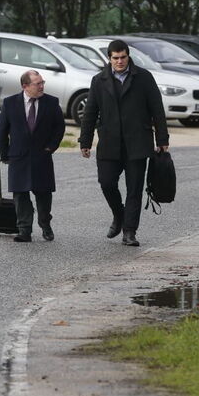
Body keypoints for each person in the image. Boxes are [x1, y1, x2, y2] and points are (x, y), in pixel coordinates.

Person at [78, 39, 169, 247]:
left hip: (138, 142)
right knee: (107, 183)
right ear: (109, 58)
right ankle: (119, 215)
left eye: (123, 57)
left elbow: (157, 109)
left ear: (129, 57)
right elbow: (90, 112)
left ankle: (129, 231)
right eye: (115, 58)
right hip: (109, 142)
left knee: (134, 189)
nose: (120, 61)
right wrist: (85, 140)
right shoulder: (99, 80)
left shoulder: (143, 78)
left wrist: (162, 139)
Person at [0, 70, 66, 242]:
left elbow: (59, 128)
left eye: (43, 82)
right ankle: (24, 229)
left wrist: (51, 147)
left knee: (43, 194)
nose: (42, 86)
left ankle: (45, 223)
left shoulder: (51, 102)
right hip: (18, 155)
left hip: (42, 155)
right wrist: (5, 154)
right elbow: (2, 130)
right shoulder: (10, 103)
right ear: (25, 86)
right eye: (37, 84)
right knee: (20, 194)